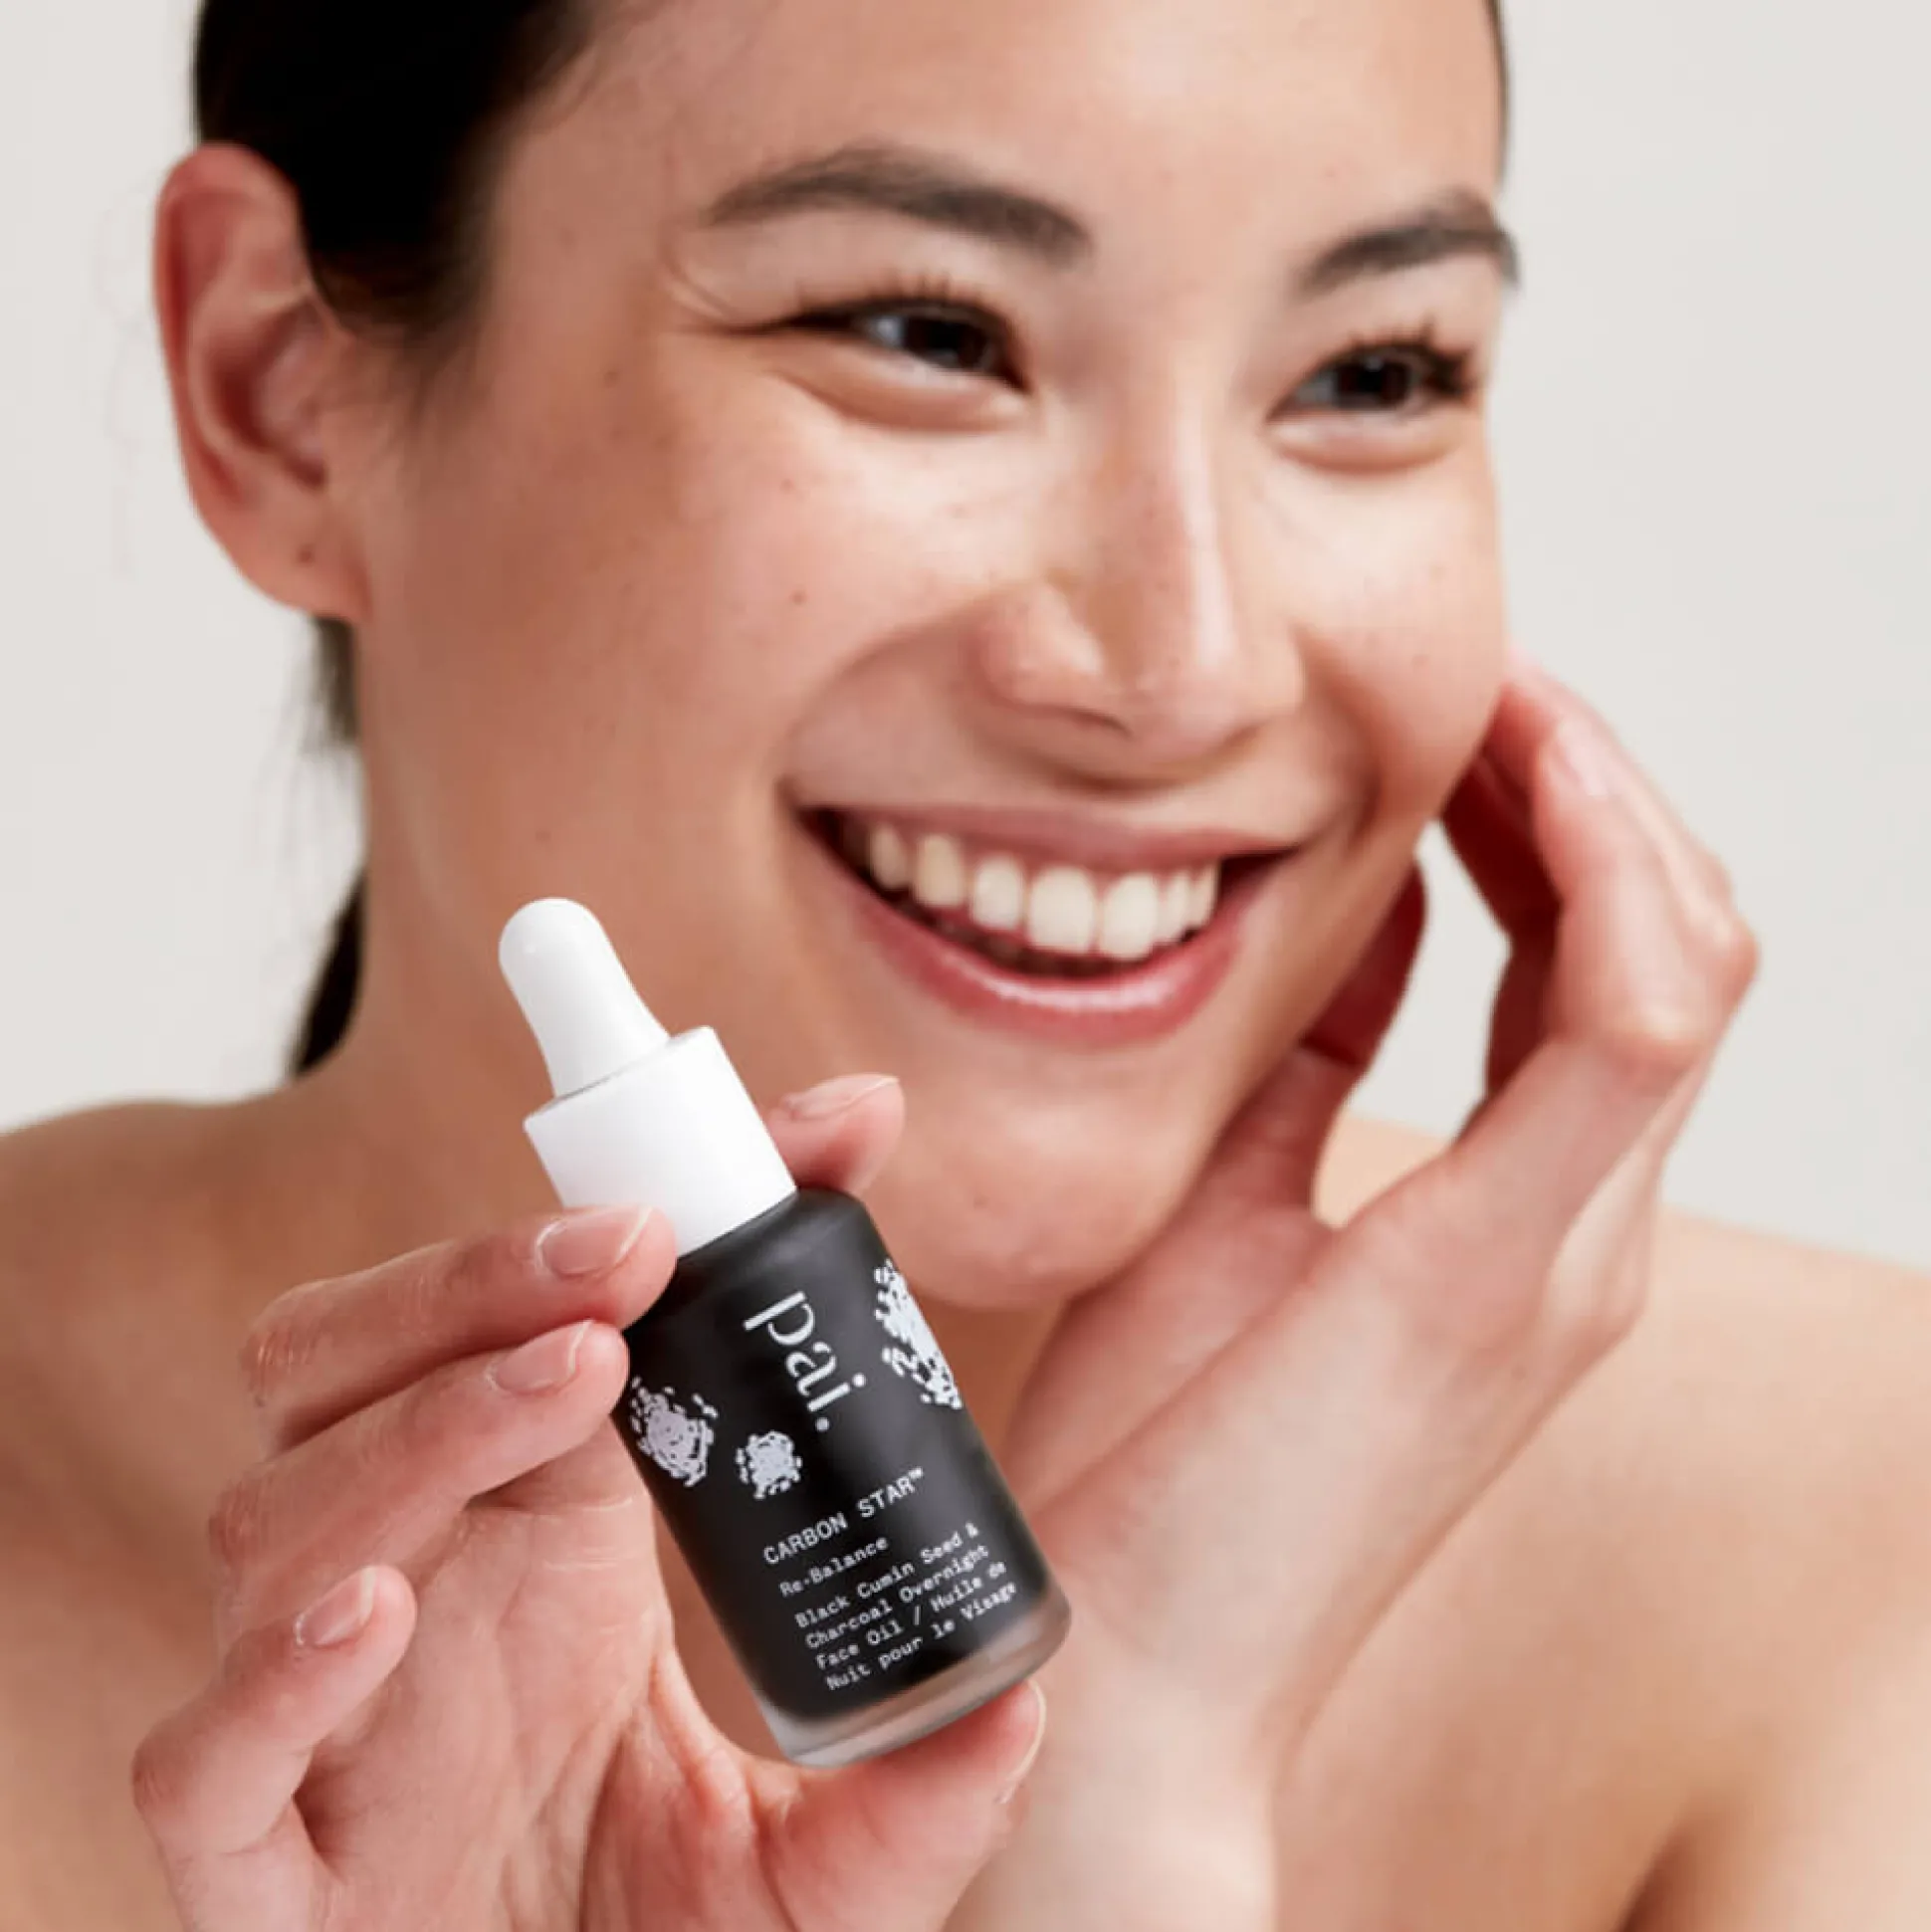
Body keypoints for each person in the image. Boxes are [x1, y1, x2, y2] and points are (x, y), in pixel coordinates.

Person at [0, 0, 1924, 1923]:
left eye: (1373, 371)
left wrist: (1121, 1793)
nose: (1189, 671)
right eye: (928, 334)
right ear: (281, 393)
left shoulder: (1864, 1552)